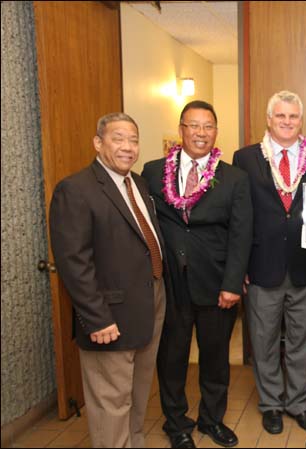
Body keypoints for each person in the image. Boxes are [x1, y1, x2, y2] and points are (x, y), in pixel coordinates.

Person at [49, 113, 166, 448]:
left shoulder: (139, 184)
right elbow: (74, 262)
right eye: (118, 138)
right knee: (110, 402)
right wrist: (96, 317)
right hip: (109, 315)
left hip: (149, 304)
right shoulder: (76, 189)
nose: (128, 147)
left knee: (138, 393)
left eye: (133, 139)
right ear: (98, 143)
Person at [142, 100, 253, 448]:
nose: (200, 133)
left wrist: (233, 284)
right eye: (193, 125)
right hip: (170, 283)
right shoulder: (152, 171)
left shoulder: (234, 177)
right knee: (171, 358)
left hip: (216, 284)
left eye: (208, 126)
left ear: (216, 132)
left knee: (216, 359)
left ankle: (211, 420)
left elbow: (241, 234)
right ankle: (176, 423)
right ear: (181, 130)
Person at [232, 90, 306, 435]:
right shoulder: (244, 158)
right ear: (268, 119)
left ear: (300, 121)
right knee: (264, 340)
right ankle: (271, 403)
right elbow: (240, 216)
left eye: (293, 117)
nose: (287, 122)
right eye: (280, 116)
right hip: (262, 265)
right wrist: (239, 266)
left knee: (304, 341)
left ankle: (299, 403)